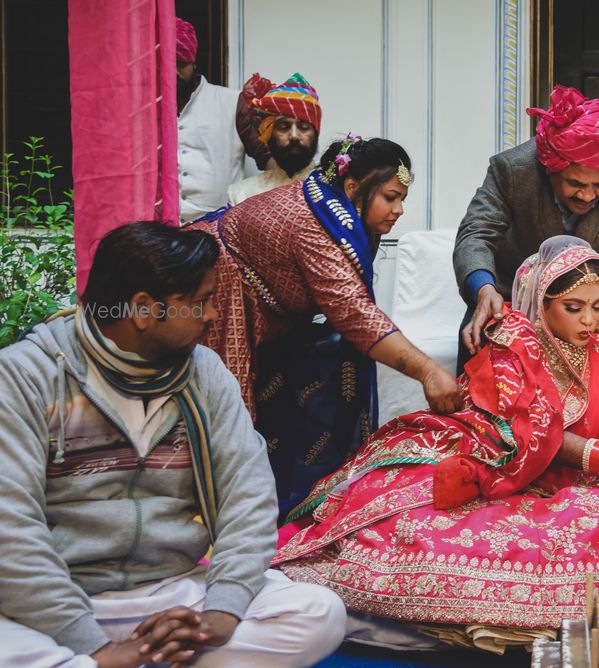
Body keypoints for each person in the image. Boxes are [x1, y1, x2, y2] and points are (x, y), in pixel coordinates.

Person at [271, 236, 599, 651]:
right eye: (574, 307)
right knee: (427, 526)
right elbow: (539, 438)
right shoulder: (516, 346)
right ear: (542, 303)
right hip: (515, 470)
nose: (590, 320)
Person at [0, 222, 345, 667]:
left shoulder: (204, 372)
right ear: (144, 310)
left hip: (174, 594)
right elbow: (10, 529)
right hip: (55, 605)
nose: (212, 316)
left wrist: (218, 614)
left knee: (319, 614)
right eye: (199, 303)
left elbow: (248, 494)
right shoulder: (24, 376)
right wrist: (93, 646)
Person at [191, 137, 461, 517]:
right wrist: (429, 372)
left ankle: (292, 496)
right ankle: (225, 518)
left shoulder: (327, 203)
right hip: (217, 293)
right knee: (227, 418)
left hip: (258, 306)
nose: (399, 209)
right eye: (390, 196)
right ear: (353, 188)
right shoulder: (314, 225)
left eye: (402, 198)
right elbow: (355, 314)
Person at [453, 84, 599, 372]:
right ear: (550, 170)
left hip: (593, 307)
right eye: (575, 184)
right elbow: (475, 235)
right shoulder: (513, 170)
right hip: (513, 302)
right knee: (481, 366)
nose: (588, 196)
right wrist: (483, 289)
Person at [176, 18, 270, 223]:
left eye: (181, 64)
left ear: (194, 62)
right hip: (158, 229)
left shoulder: (231, 101)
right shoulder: (143, 112)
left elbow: (269, 159)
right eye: (165, 63)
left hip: (216, 229)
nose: (174, 72)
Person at [228, 73, 322, 206]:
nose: (294, 136)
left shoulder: (334, 188)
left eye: (304, 127)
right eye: (284, 127)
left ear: (315, 134)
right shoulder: (243, 194)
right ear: (269, 135)